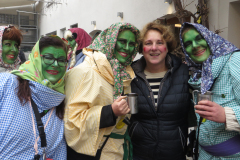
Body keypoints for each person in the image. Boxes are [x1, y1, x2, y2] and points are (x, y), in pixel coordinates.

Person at [64, 22, 140, 160]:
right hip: (91, 154)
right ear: (110, 40)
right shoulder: (84, 72)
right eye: (122, 41)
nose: (127, 48)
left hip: (117, 152)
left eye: (132, 44)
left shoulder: (125, 73)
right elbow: (70, 122)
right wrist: (110, 112)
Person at [129, 22, 191, 160]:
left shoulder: (184, 73)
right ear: (141, 47)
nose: (154, 48)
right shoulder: (130, 76)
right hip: (139, 152)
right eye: (148, 43)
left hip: (174, 152)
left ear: (167, 46)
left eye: (159, 42)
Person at [0, 35, 68, 159]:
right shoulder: (7, 84)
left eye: (61, 60)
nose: (55, 64)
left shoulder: (59, 103)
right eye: (48, 58)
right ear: (36, 58)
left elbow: (59, 152)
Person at [180, 22, 240, 159]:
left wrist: (226, 115)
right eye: (188, 43)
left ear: (209, 37)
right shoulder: (197, 73)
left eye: (199, 38)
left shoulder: (235, 60)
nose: (195, 46)